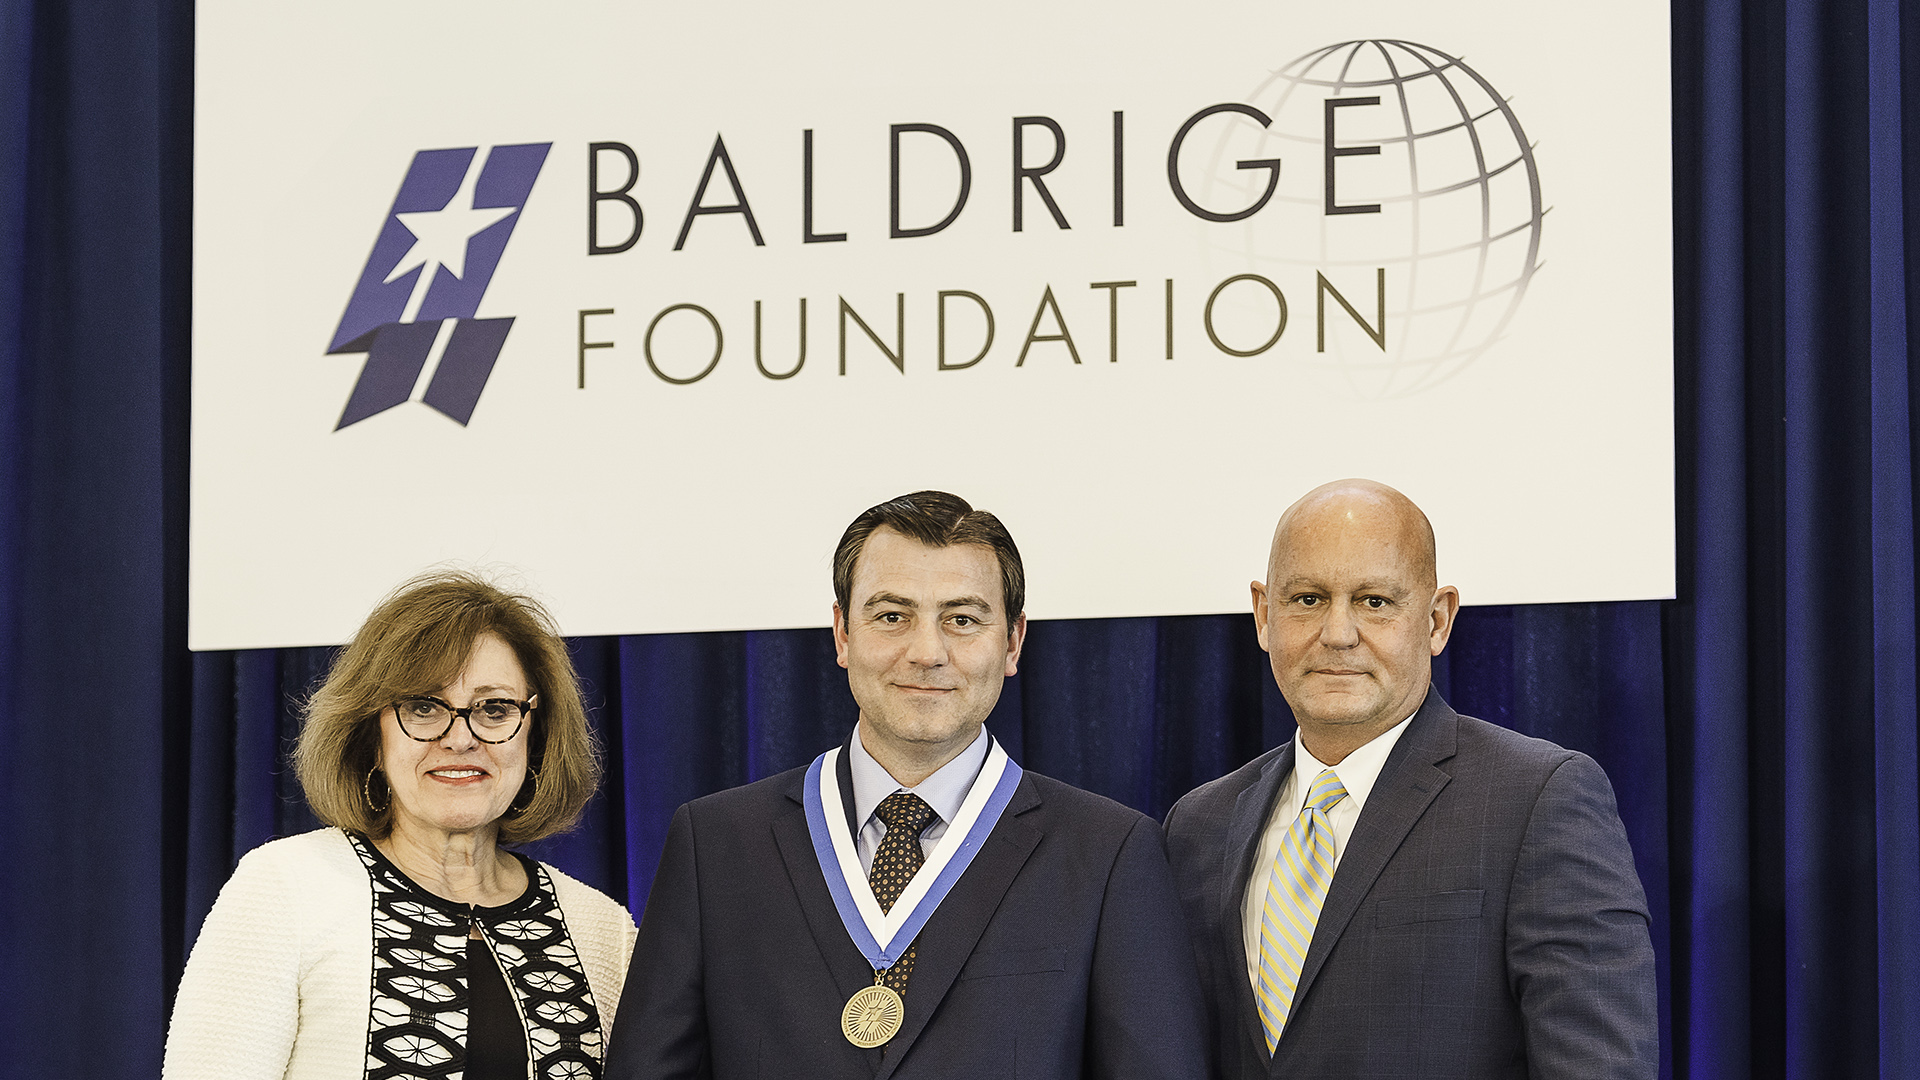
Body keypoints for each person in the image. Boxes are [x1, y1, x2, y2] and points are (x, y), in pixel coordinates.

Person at [606, 490, 1208, 1080]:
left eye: (962, 619)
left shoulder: (1111, 854)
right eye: (892, 616)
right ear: (843, 633)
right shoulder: (714, 845)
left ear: (1013, 641)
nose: (927, 651)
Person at [1163, 479, 1658, 1079]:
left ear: (1437, 620)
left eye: (1374, 601)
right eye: (1309, 599)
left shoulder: (1537, 800)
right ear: (1265, 615)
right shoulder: (1199, 826)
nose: (1338, 633)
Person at [164, 570, 637, 1080]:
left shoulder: (601, 929)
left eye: (495, 709)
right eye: (423, 707)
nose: (460, 738)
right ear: (372, 733)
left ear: (535, 733)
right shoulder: (285, 889)